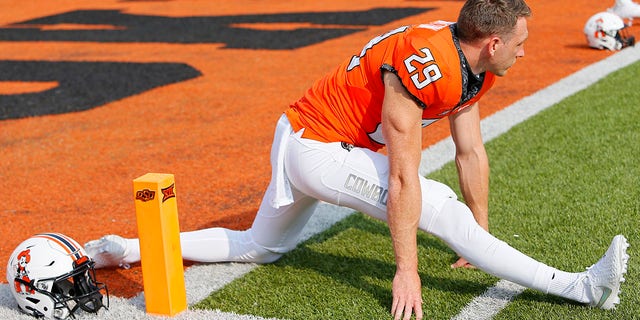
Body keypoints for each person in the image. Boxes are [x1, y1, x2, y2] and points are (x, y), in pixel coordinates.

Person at [85, 0, 630, 319]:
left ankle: (123, 250)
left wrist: (480, 232)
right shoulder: (428, 64)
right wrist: (407, 269)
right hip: (315, 145)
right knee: (436, 205)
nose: (525, 50)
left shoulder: (473, 65)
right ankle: (580, 286)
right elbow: (399, 175)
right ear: (491, 42)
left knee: (262, 247)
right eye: (520, 42)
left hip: (307, 132)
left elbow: (470, 149)